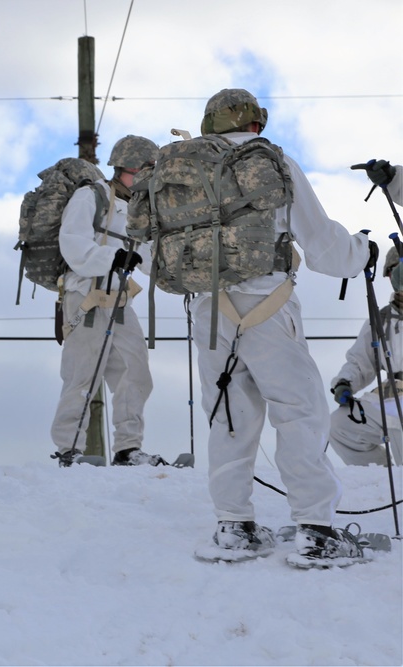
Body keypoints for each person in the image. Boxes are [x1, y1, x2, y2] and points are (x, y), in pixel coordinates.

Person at [192, 88, 378, 566]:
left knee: (228, 416)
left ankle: (234, 527)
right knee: (299, 412)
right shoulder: (271, 162)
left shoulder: (187, 168)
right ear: (256, 122)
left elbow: (155, 254)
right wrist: (364, 251)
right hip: (268, 305)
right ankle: (315, 530)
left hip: (208, 311)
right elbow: (323, 246)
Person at [50, 135, 165, 467]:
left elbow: (146, 256)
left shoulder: (138, 209)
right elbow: (72, 243)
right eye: (147, 168)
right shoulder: (91, 196)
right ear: (129, 167)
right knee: (82, 375)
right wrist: (111, 257)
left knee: (135, 371)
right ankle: (68, 450)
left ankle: (128, 449)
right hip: (85, 295)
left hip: (119, 299)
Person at [328, 246, 403, 466]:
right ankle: (379, 482)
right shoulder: (381, 320)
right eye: (396, 270)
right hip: (393, 398)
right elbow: (361, 362)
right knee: (341, 425)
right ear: (390, 276)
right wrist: (345, 383)